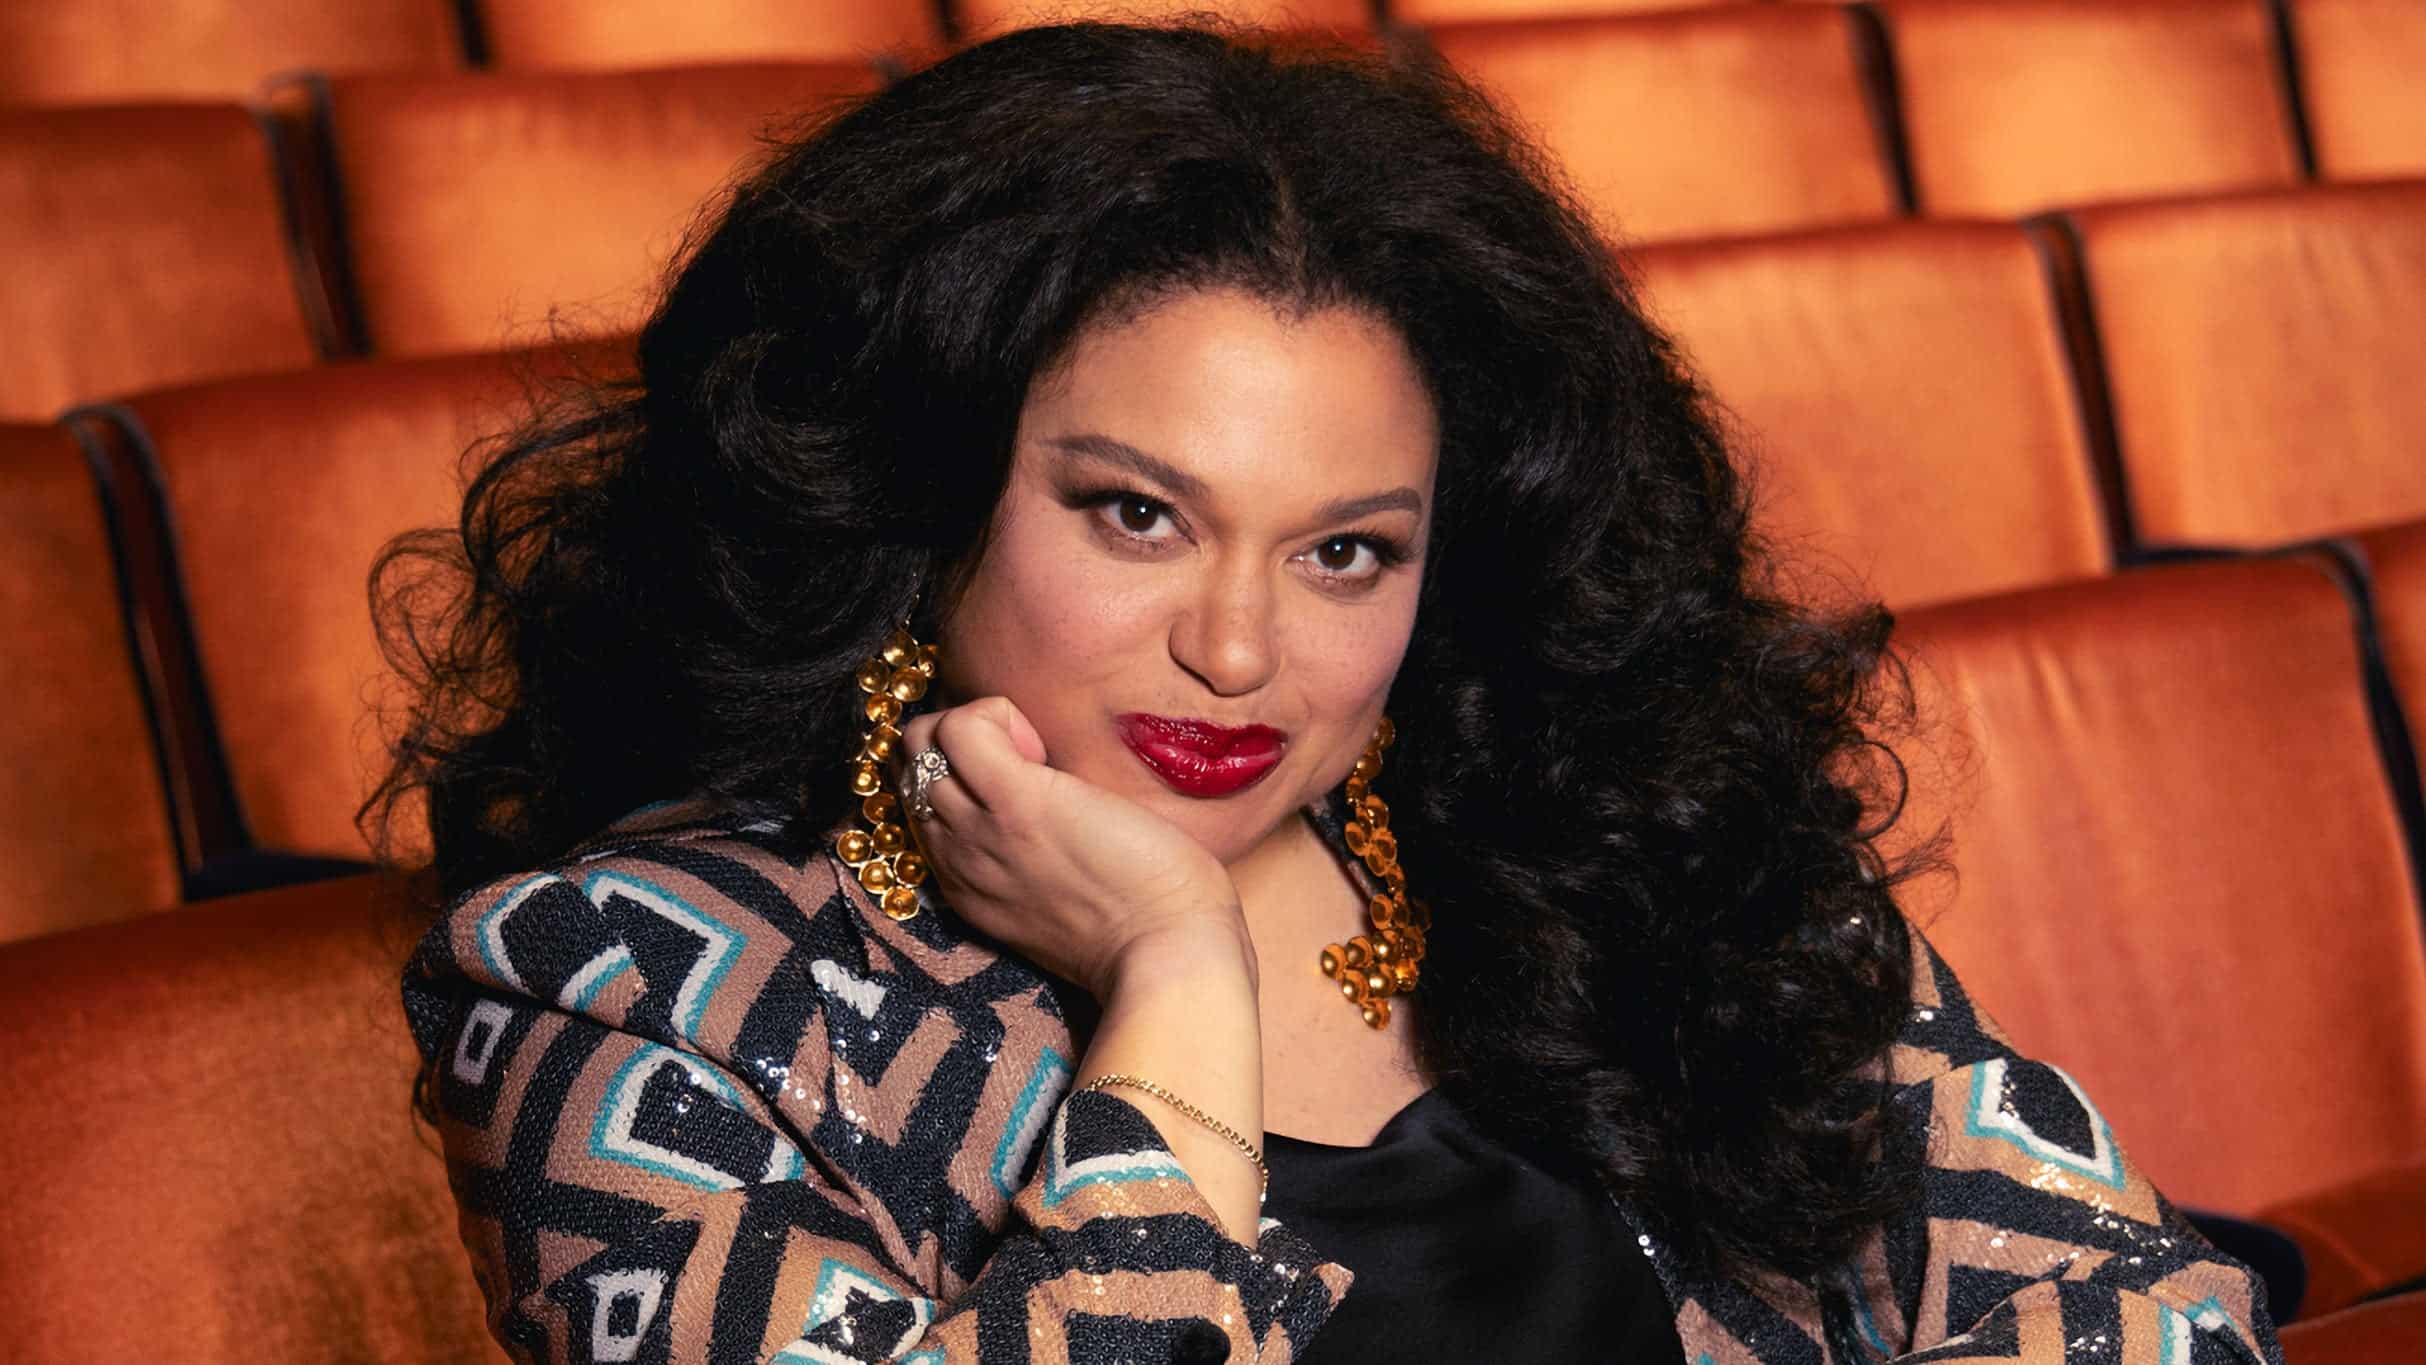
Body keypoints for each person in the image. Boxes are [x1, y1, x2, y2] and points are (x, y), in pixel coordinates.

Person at [379, 20, 2283, 1364]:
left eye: (1344, 551)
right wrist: (1174, 979)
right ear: (916, 494)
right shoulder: (635, 991)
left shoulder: (1605, 843)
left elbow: (2147, 1314)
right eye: (1135, 514)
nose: (1237, 649)